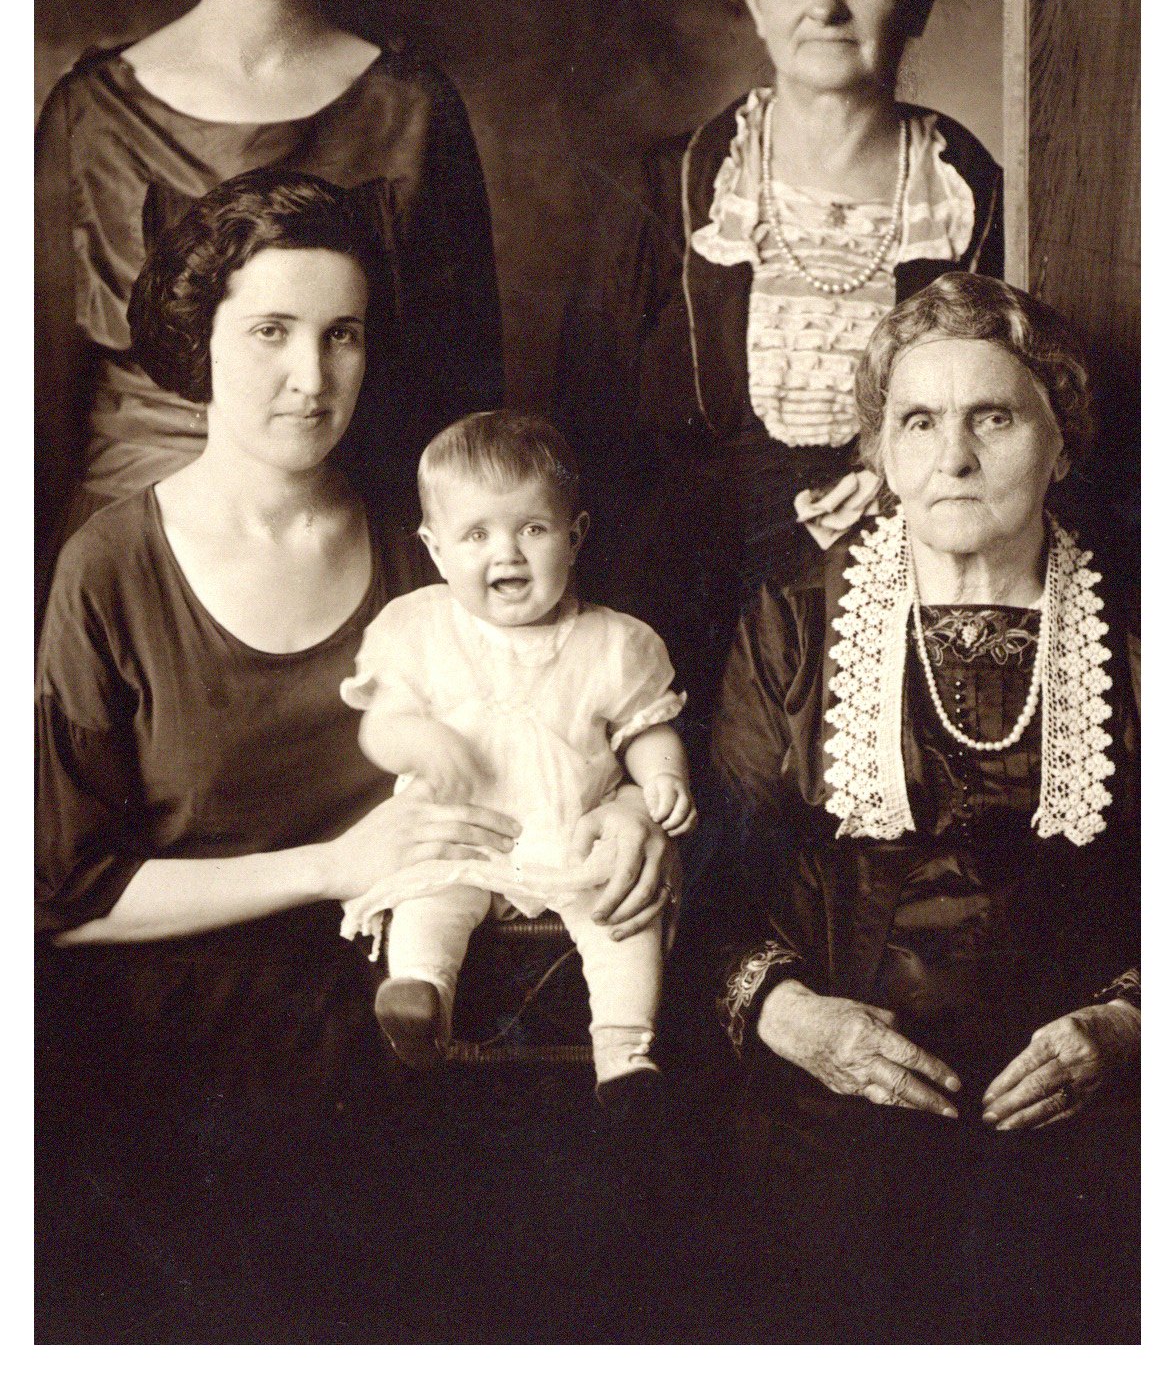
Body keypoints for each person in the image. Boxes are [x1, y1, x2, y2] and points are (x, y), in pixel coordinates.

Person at [36, 172, 672, 1095]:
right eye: (270, 332)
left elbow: (578, 702)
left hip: (427, 1023)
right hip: (191, 1052)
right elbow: (59, 893)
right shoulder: (111, 568)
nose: (312, 377)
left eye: (342, 335)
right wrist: (330, 867)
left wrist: (626, 812)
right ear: (197, 339)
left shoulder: (437, 544)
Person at [708, 272, 1139, 1340]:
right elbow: (711, 889)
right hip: (830, 1124)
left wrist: (1130, 1028)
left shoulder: (1141, 628)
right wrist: (788, 1015)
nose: (953, 458)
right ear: (883, 453)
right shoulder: (792, 626)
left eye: (992, 417)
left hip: (1084, 1125)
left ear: (1064, 442)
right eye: (918, 421)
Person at [35, 0, 502, 602]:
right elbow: (34, 400)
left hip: (354, 548)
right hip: (133, 558)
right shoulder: (91, 112)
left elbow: (464, 399)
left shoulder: (412, 108)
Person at [557, 0, 1002, 720]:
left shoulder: (971, 191)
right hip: (678, 612)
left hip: (903, 608)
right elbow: (585, 432)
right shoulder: (673, 185)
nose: (827, 7)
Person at [336, 410, 696, 1106]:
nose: (507, 554)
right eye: (476, 534)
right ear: (436, 550)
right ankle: (421, 996)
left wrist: (662, 776)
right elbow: (376, 729)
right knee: (430, 896)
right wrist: (416, 738)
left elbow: (644, 725)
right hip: (460, 833)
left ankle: (625, 1053)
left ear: (574, 535)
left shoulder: (615, 643)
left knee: (622, 911)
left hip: (574, 835)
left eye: (532, 528)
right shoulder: (417, 629)